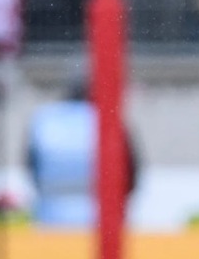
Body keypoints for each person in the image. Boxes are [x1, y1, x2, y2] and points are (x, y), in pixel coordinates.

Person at [25, 78, 139, 228]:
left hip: (51, 216)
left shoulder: (44, 119)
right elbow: (130, 168)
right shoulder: (108, 119)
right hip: (102, 219)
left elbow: (31, 165)